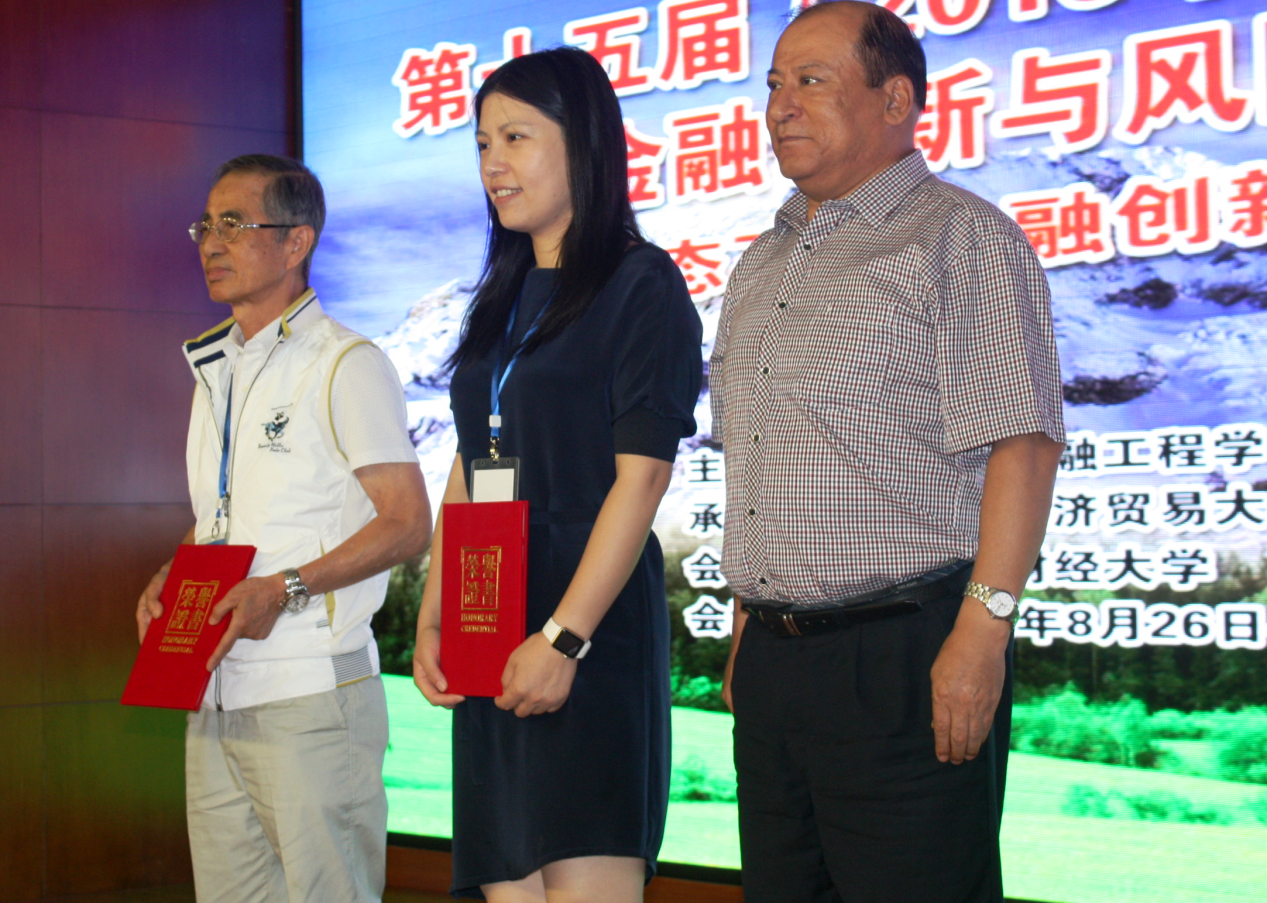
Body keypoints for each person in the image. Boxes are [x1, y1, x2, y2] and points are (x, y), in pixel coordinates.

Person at [712, 4, 1066, 902]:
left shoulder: (959, 237)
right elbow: (761, 456)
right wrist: (750, 619)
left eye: (811, 81)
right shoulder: (760, 262)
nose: (780, 105)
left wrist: (982, 631)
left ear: (895, 99)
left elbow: (1023, 445)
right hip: (774, 662)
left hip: (906, 655)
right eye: (773, 84)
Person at [411, 47, 703, 903]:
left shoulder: (641, 283)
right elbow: (471, 459)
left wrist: (564, 637)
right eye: (481, 143)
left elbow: (640, 480)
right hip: (488, 613)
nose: (492, 164)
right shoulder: (500, 296)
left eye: (516, 137)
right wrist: (434, 611)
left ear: (585, 143)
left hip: (587, 624)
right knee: (507, 883)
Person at [135, 154, 433, 902]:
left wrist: (286, 587)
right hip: (213, 687)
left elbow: (407, 523)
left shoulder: (345, 362)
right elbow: (227, 519)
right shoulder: (217, 367)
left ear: (296, 242)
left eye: (235, 224)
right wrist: (175, 572)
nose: (212, 242)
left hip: (310, 691)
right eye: (206, 225)